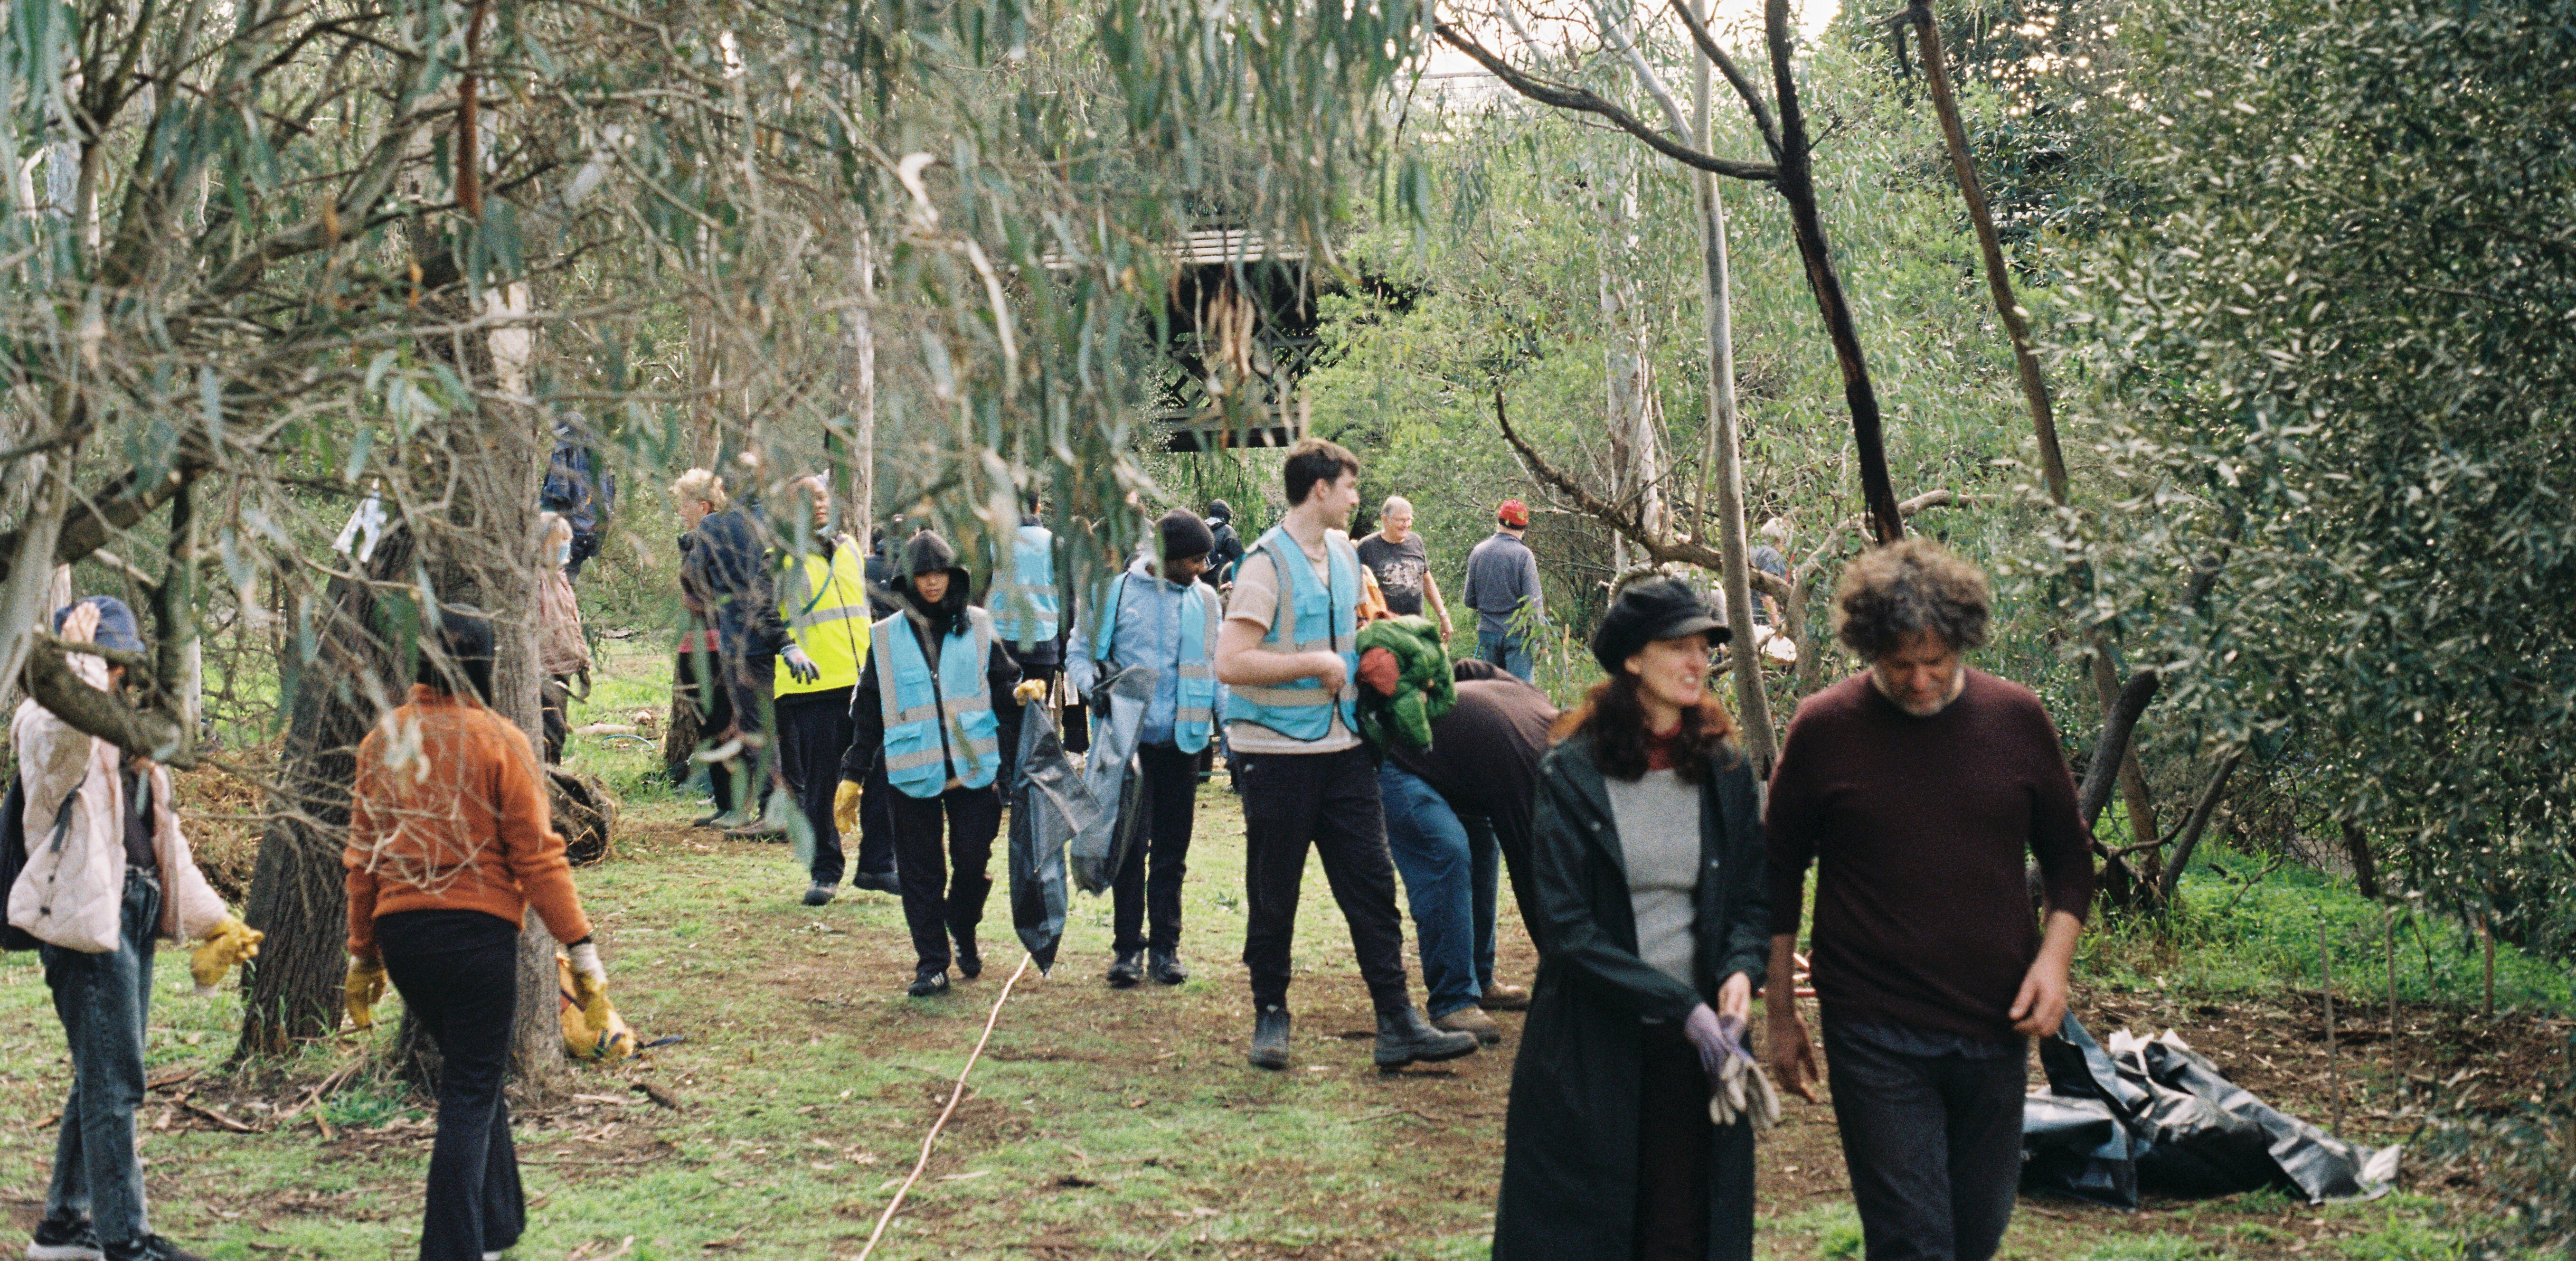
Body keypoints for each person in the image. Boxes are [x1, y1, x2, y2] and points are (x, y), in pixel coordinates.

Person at [1765, 540, 2095, 1261]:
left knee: (1975, 1236)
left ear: (1963, 642)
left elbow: (2070, 862)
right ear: (1868, 649)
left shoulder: (2016, 719)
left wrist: (2054, 965)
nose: (1919, 680)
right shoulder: (1824, 729)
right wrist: (1781, 1016)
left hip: (1994, 1022)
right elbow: (1777, 872)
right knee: (1913, 1243)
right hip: (1874, 1027)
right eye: (1899, 664)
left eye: (1935, 661)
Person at [1492, 577, 1770, 1261]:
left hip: (1697, 1055)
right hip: (1593, 1047)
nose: (1697, 662)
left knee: (1682, 1231)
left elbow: (1749, 899)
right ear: (1632, 661)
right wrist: (1682, 1006)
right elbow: (1567, 930)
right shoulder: (1571, 772)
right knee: (1587, 1230)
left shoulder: (1723, 766)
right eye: (1677, 646)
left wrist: (1739, 972)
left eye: (1703, 647)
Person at [344, 609, 606, 1261]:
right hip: (478, 938)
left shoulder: (382, 741)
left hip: (403, 938)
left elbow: (362, 858)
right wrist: (581, 946)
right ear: (486, 668)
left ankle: (497, 1224)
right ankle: (454, 1251)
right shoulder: (500, 739)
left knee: (475, 1076)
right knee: (469, 1088)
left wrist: (363, 955)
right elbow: (538, 858)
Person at [1213, 438, 1480, 1073]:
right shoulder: (1263, 565)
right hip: (1274, 757)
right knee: (1274, 890)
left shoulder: (1343, 554)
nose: (1358, 498)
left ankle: (1397, 1021)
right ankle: (1270, 1016)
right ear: (1319, 490)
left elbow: (1350, 637)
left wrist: (1378, 656)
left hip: (1345, 748)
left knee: (1371, 886)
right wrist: (1315, 664)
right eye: (1350, 487)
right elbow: (1229, 663)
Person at [14, 598, 257, 1261]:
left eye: (123, 661)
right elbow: (61, 752)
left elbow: (161, 837)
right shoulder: (47, 717)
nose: (122, 674)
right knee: (116, 1079)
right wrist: (79, 668)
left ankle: (65, 1226)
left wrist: (214, 919)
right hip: (86, 917)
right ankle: (126, 1240)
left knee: (102, 1072)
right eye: (110, 660)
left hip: (137, 907)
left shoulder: (129, 732)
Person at [838, 530, 1025, 997]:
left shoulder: (979, 626)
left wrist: (1022, 696)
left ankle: (962, 926)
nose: (932, 583)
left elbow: (1004, 688)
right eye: (922, 575)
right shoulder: (883, 638)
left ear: (953, 577)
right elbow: (869, 710)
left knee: (970, 862)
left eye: (939, 573)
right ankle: (932, 963)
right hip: (911, 769)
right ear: (907, 582)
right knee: (921, 871)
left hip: (972, 768)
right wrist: (854, 774)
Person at [1065, 509, 1223, 988]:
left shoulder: (1208, 601)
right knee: (1130, 849)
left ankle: (1165, 950)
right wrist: (1090, 686)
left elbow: (1215, 669)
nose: (1202, 568)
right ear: (1165, 557)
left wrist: (1231, 731)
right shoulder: (1111, 594)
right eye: (1195, 560)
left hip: (1184, 742)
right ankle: (1126, 950)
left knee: (1172, 851)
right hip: (1127, 743)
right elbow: (1077, 652)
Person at [1365, 656, 1552, 1044]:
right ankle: (1452, 1002)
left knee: (1484, 848)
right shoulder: (1534, 765)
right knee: (1446, 851)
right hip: (1398, 761)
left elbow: (1469, 668)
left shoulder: (1539, 703)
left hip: (1454, 767)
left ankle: (1480, 982)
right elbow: (1535, 880)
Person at [674, 469, 817, 835]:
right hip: (778, 638)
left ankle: (776, 816)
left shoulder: (714, 527)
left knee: (756, 730)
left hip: (742, 639)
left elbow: (695, 582)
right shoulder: (768, 525)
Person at [769, 476, 878, 906]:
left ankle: (877, 863)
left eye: (821, 497)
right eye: (807, 498)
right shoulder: (779, 557)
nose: (819, 504)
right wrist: (789, 647)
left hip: (864, 682)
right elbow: (759, 612)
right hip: (813, 686)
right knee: (821, 783)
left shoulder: (850, 547)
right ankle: (825, 871)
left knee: (882, 775)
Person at [986, 494, 1065, 791]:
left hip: (1005, 641)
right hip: (1044, 640)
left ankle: (1006, 784)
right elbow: (1066, 595)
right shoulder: (1054, 543)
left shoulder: (996, 542)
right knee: (1038, 712)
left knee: (1005, 714)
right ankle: (1034, 782)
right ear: (1038, 507)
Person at [1460, 499, 1546, 683]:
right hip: (1518, 636)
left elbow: (1469, 600)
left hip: (1488, 634)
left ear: (1499, 523)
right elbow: (1534, 605)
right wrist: (1542, 642)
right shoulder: (1524, 555)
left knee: (1494, 693)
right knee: (1520, 692)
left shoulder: (1478, 552)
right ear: (1523, 528)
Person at [1354, 496, 1454, 640]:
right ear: (1385, 519)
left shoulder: (1416, 542)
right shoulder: (1366, 547)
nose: (1406, 525)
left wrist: (1443, 616)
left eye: (1409, 520)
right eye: (1401, 520)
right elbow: (1355, 591)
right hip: (1384, 630)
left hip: (1416, 627)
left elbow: (1426, 580)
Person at [536, 512, 593, 764]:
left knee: (559, 728)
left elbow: (572, 622)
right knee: (552, 729)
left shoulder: (560, 578)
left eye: (567, 541)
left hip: (564, 667)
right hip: (544, 668)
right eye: (559, 541)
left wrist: (581, 658)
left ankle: (553, 772)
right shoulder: (533, 581)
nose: (564, 547)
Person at [539, 413, 615, 583]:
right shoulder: (600, 459)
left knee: (550, 588)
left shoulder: (565, 448)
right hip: (586, 539)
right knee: (564, 587)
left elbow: (557, 494)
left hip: (563, 536)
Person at [1204, 499, 1246, 590]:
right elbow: (1240, 560)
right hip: (1220, 585)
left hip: (1198, 584)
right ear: (1226, 515)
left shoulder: (1199, 529)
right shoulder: (1227, 531)